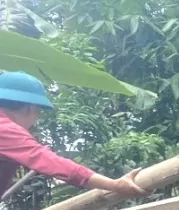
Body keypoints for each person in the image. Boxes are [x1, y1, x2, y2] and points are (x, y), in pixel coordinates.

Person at [0, 71, 148, 200]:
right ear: (29, 107)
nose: (37, 117)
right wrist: (114, 185)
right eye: (39, 110)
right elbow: (48, 161)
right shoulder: (6, 129)